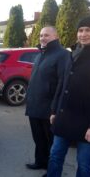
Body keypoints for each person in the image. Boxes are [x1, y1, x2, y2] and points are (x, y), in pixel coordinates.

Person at [46, 16, 90, 177]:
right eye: (80, 30)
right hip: (64, 118)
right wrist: (54, 110)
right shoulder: (72, 53)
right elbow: (62, 84)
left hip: (88, 125)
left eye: (88, 30)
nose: (83, 34)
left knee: (84, 165)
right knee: (55, 157)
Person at [25, 26, 69, 171]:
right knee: (38, 138)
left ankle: (52, 169)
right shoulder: (40, 55)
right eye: (41, 35)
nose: (43, 38)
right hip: (34, 106)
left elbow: (63, 83)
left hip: (49, 108)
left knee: (51, 141)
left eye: (47, 35)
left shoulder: (62, 55)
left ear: (56, 37)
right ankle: (40, 162)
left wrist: (55, 109)